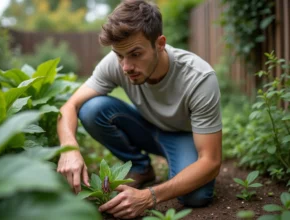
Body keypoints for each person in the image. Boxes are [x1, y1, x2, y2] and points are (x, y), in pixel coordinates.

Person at [57, 0, 222, 219]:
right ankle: (141, 167)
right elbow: (70, 105)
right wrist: (69, 149)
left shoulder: (199, 78)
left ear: (160, 43)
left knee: (196, 197)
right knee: (91, 109)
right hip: (146, 129)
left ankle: (172, 166)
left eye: (135, 54)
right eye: (119, 55)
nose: (125, 67)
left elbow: (211, 161)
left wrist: (149, 196)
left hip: (185, 138)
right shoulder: (116, 63)